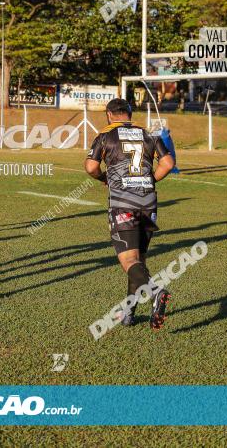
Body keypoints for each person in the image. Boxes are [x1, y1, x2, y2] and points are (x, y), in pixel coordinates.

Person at [84, 98, 175, 329]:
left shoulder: (105, 135)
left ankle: (155, 293)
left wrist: (104, 178)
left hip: (123, 202)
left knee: (129, 260)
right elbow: (168, 162)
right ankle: (128, 312)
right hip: (148, 201)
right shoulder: (148, 133)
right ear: (129, 113)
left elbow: (91, 167)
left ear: (108, 115)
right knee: (138, 261)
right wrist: (148, 180)